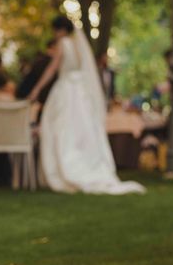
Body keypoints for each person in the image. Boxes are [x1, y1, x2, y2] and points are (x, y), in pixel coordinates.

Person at [28, 16, 144, 194]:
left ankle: (64, 169)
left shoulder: (63, 44)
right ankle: (88, 166)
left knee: (61, 129)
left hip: (66, 90)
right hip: (80, 94)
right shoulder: (80, 46)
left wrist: (36, 89)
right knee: (82, 129)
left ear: (59, 30)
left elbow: (52, 70)